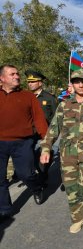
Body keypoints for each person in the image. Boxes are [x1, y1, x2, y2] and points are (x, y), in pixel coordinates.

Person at [40, 69, 83, 233]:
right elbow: (53, 129)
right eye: (77, 81)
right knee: (71, 188)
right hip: (68, 154)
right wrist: (46, 148)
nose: (80, 84)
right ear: (72, 84)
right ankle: (78, 218)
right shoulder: (64, 105)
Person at [0, 64, 48, 218]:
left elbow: (39, 119)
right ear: (2, 78)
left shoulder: (28, 96)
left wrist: (46, 143)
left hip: (23, 142)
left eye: (17, 74)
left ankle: (36, 188)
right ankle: (5, 209)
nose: (17, 76)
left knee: (25, 174)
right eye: (12, 74)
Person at [26, 70, 58, 182]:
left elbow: (56, 117)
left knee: (42, 158)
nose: (30, 84)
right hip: (29, 133)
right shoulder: (27, 97)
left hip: (44, 134)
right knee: (31, 157)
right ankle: (39, 173)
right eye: (29, 81)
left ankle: (43, 176)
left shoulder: (49, 98)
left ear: (40, 83)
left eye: (33, 81)